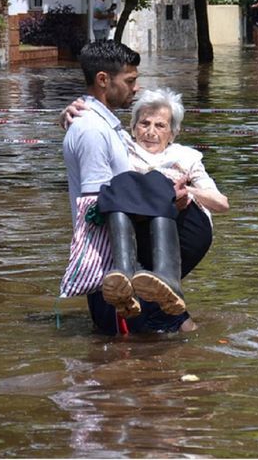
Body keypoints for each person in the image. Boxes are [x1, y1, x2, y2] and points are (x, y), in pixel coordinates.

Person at [62, 40, 189, 335]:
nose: (136, 88)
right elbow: (97, 205)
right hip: (115, 275)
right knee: (166, 342)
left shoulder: (103, 125)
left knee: (159, 348)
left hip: (127, 270)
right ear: (103, 80)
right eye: (130, 81)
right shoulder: (93, 130)